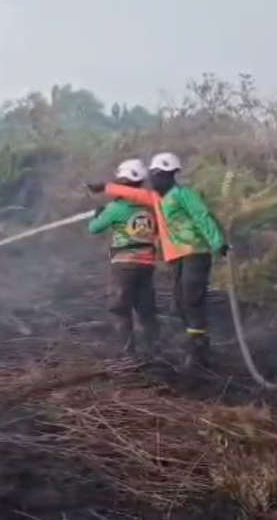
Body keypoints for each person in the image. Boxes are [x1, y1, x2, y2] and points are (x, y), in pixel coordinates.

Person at [87, 152, 228, 369]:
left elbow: (202, 216)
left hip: (192, 252)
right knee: (178, 300)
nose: (156, 179)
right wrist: (105, 187)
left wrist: (218, 242)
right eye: (154, 175)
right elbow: (133, 194)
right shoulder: (156, 200)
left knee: (189, 300)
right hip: (172, 257)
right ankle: (184, 344)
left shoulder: (182, 195)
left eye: (161, 175)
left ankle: (197, 349)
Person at [86, 159, 161, 359]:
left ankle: (128, 354)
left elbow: (94, 229)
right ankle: (154, 350)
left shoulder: (115, 208)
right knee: (146, 309)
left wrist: (97, 215)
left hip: (124, 265)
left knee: (120, 308)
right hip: (147, 264)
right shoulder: (151, 207)